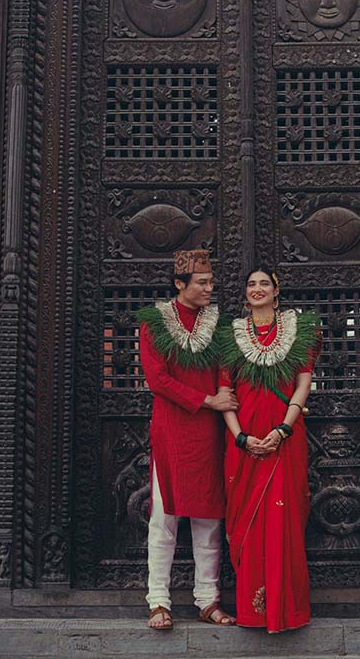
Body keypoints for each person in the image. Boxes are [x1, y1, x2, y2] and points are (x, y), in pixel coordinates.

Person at [137, 249, 239, 631]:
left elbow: (225, 370)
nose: (211, 288)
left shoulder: (220, 324)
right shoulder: (155, 323)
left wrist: (224, 395)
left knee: (209, 517)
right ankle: (158, 601)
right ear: (180, 285)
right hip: (172, 430)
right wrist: (208, 400)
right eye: (203, 282)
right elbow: (157, 379)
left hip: (209, 432)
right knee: (164, 517)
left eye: (211, 281)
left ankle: (207, 600)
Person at [216, 265, 320, 633]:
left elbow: (303, 383)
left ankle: (285, 610)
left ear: (277, 291)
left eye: (264, 284)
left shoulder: (299, 331)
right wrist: (241, 437)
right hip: (242, 442)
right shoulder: (231, 336)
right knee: (246, 519)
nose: (257, 289)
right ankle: (253, 610)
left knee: (282, 520)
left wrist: (283, 429)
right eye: (251, 284)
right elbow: (225, 392)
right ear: (245, 294)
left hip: (284, 441)